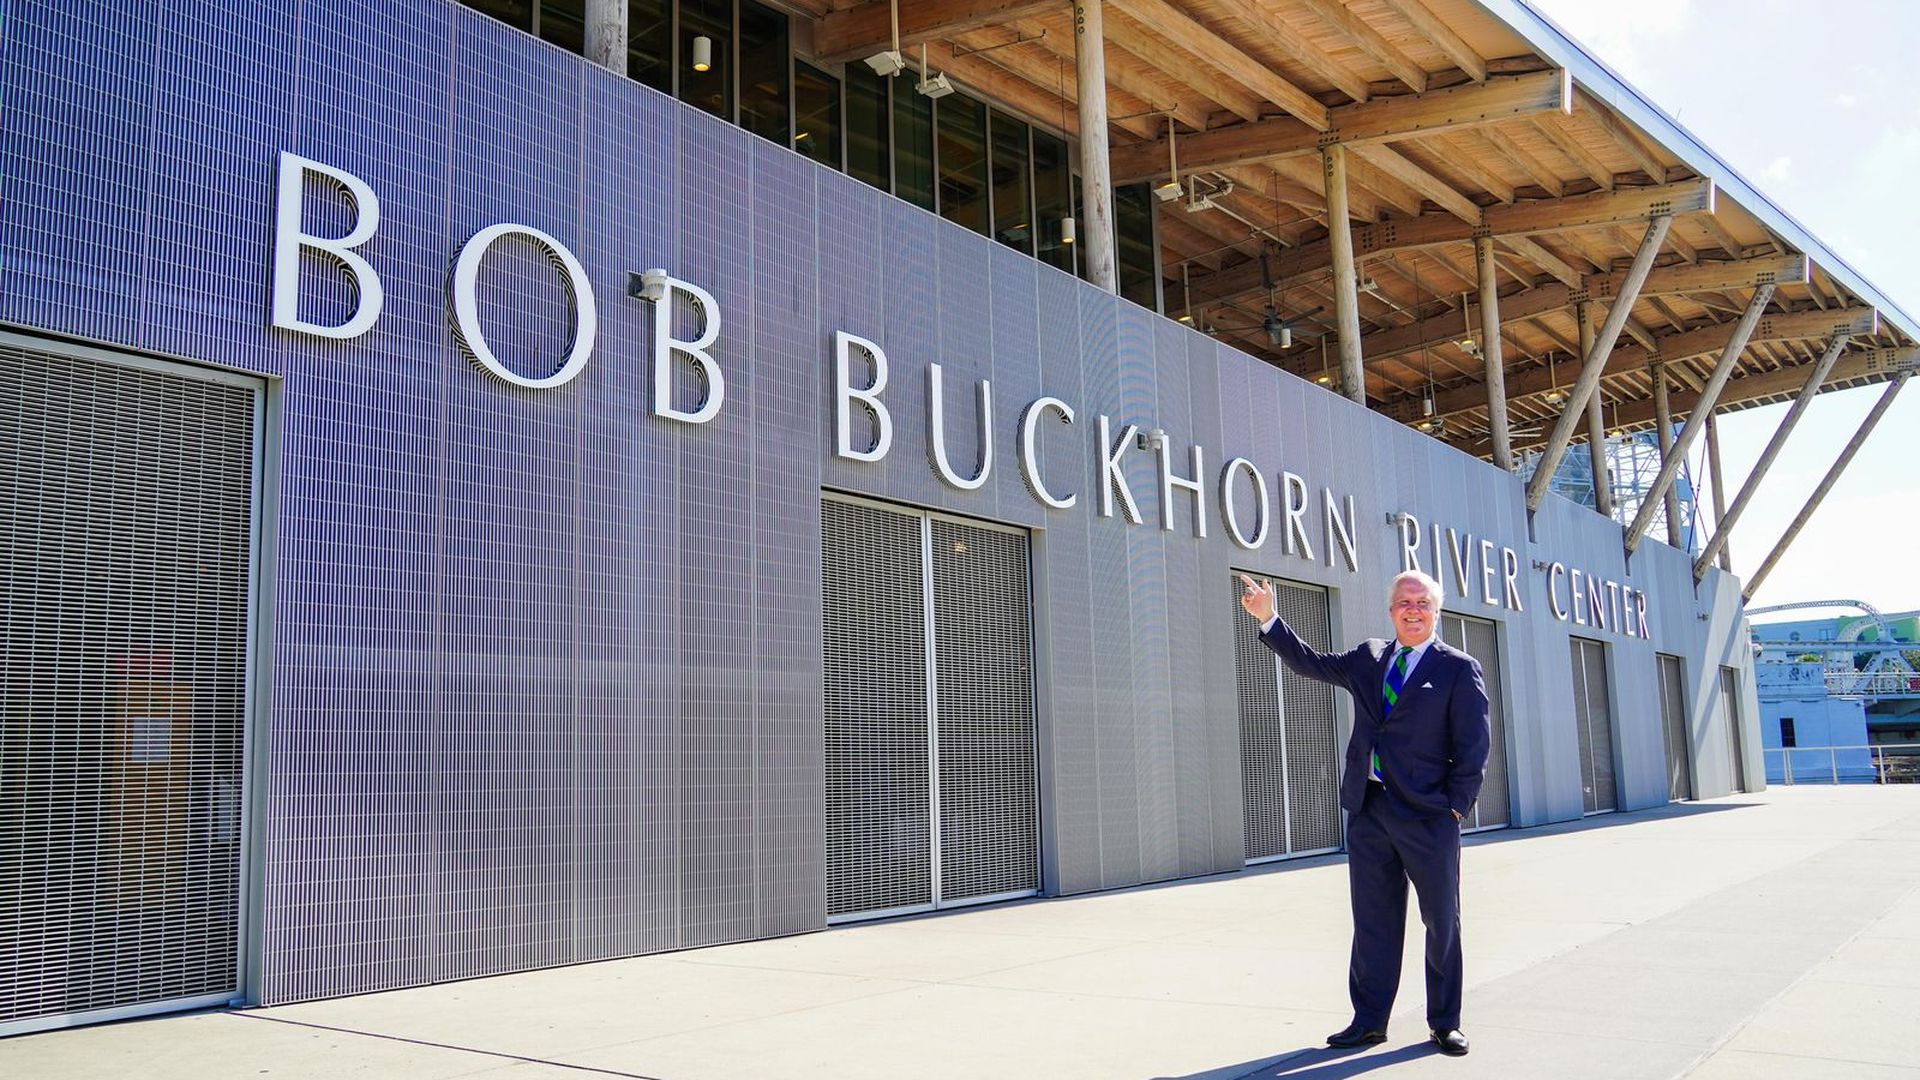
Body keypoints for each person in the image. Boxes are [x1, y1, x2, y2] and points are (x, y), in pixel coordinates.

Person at [1239, 569, 1490, 1058]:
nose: (1412, 610)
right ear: (1391, 609)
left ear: (1436, 611)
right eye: (1403, 602)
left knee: (1441, 920)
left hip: (1428, 816)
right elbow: (1312, 663)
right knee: (1373, 921)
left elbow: (1474, 745)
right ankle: (1370, 1020)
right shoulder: (1369, 658)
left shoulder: (1458, 668)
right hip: (1369, 809)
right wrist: (1270, 619)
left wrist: (1455, 808)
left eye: (1421, 602)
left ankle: (1444, 1021)